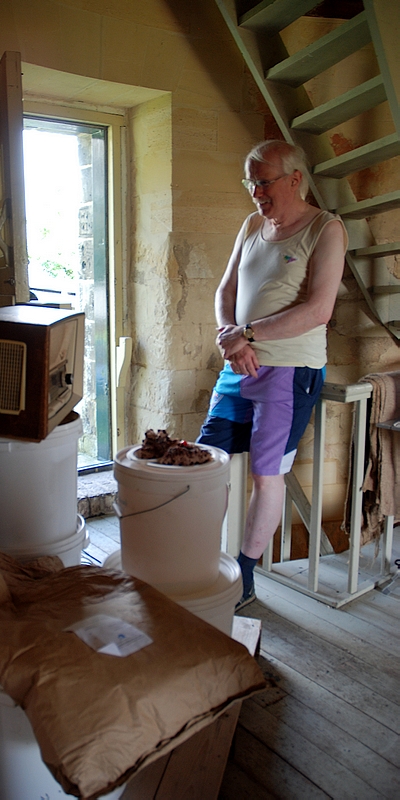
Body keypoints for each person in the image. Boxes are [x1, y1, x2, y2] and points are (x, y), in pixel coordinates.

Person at [197, 139, 348, 610]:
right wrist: (230, 337)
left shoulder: (326, 228)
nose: (256, 192)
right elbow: (226, 290)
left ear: (295, 179)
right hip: (237, 367)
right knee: (208, 463)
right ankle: (200, 559)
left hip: (288, 370)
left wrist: (244, 335)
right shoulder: (251, 225)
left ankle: (243, 574)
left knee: (267, 474)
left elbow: (318, 310)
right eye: (250, 183)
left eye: (264, 182)